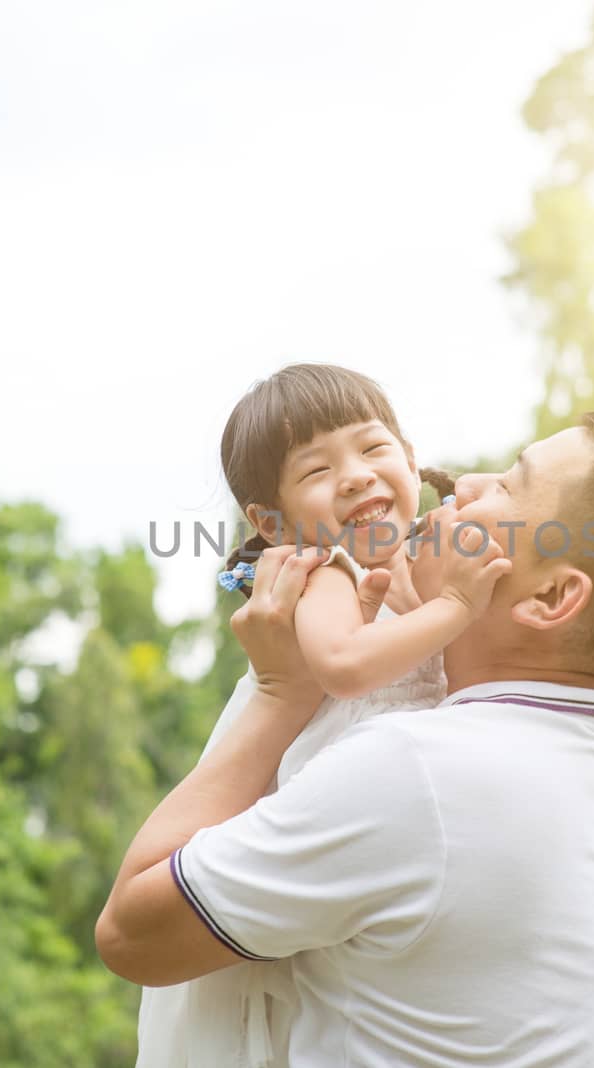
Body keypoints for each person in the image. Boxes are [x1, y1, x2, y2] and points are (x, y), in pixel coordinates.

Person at [100, 409, 594, 1066]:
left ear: (550, 597)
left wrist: (279, 695)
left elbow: (132, 936)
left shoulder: (420, 772)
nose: (464, 484)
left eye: (506, 488)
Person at [137, 363, 509, 1067]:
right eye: (316, 469)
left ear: (407, 455)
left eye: (373, 449)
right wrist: (455, 609)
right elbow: (343, 664)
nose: (355, 476)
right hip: (311, 841)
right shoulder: (323, 571)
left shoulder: (425, 554)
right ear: (271, 521)